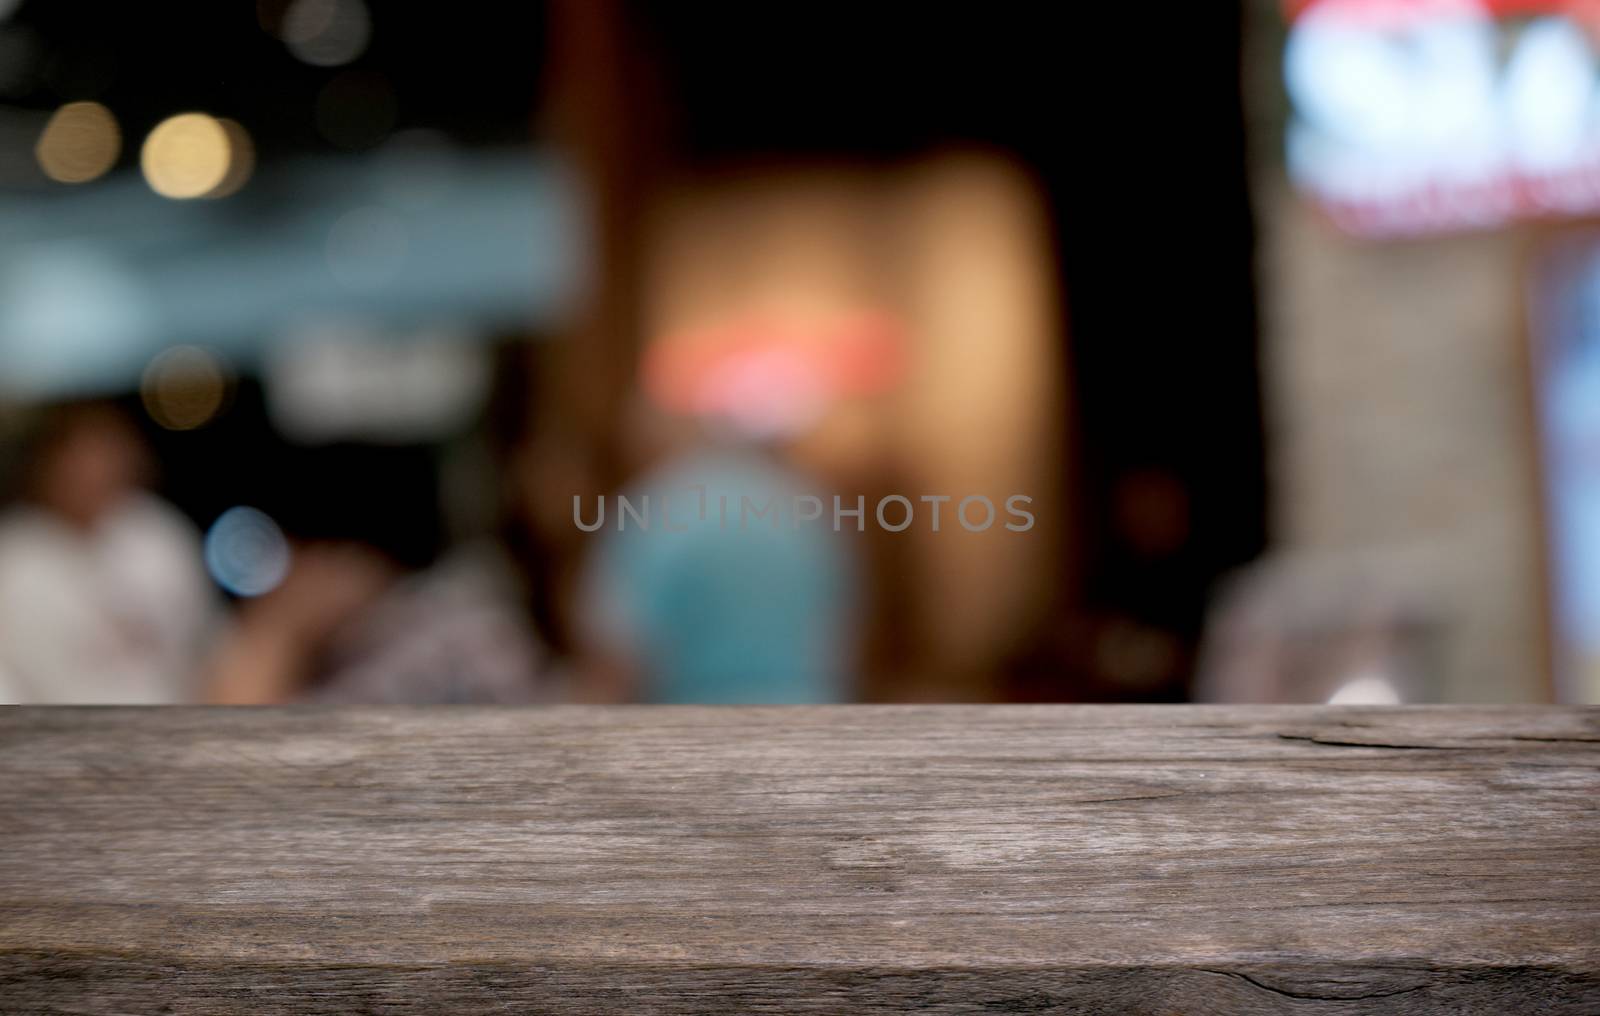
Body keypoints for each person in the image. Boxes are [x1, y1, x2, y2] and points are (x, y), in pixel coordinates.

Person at [0, 401, 215, 703]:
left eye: (105, 452)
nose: (94, 470)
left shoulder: (158, 532)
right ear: (45, 464)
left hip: (175, 726)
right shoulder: (13, 556)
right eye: (78, 457)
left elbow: (208, 647)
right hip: (54, 736)